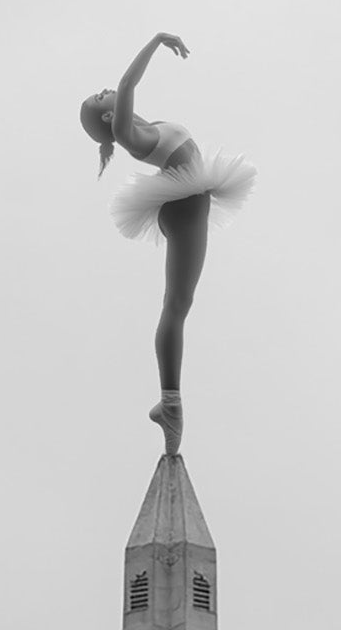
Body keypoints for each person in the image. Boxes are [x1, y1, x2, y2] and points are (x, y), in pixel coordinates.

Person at [80, 33, 256, 455]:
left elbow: (125, 93)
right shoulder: (126, 133)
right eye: (98, 97)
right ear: (107, 118)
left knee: (179, 303)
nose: (105, 91)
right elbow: (126, 87)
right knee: (177, 304)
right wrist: (156, 40)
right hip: (184, 201)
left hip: (187, 199)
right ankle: (171, 403)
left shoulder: (146, 126)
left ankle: (170, 402)